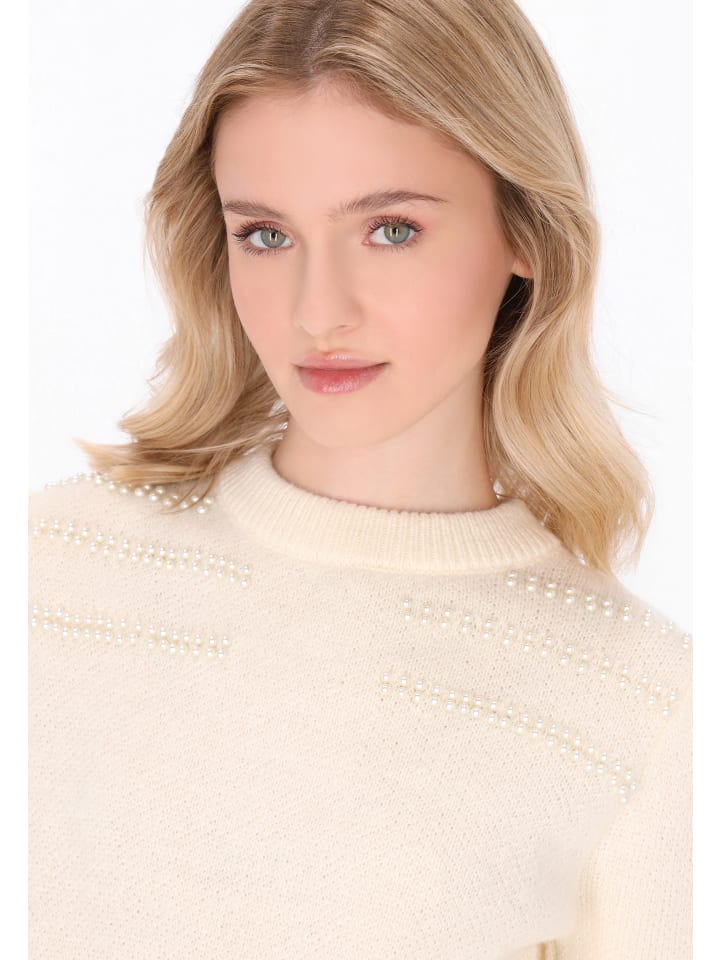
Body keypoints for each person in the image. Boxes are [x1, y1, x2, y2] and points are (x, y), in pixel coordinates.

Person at [28, 1, 692, 957]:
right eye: (266, 235)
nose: (318, 311)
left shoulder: (638, 700)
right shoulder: (46, 569)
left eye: (390, 230)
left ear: (527, 233)